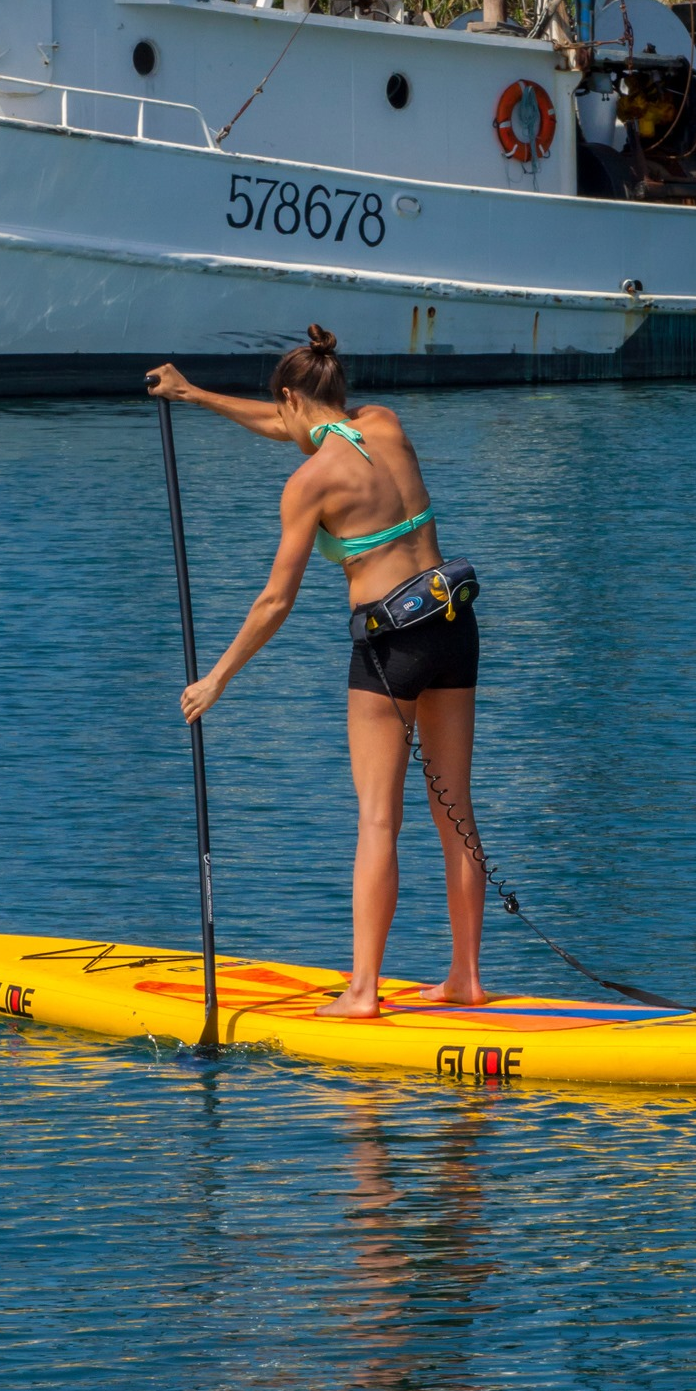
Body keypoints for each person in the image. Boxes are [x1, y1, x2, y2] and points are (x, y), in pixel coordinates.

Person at [147, 325, 485, 1017]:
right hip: (453, 625)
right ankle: (465, 980)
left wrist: (217, 679)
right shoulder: (383, 425)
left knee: (376, 821)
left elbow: (276, 600)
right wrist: (191, 394)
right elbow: (291, 425)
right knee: (455, 813)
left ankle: (362, 991)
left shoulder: (310, 483)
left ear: (292, 398)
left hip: (389, 648)